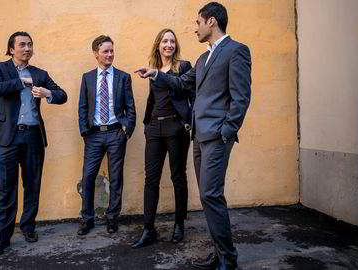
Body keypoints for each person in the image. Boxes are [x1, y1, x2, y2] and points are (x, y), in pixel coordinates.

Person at [135, 2, 251, 269]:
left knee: (211, 194)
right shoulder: (201, 59)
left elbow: (241, 97)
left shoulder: (236, 51)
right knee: (207, 196)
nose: (195, 28)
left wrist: (227, 131)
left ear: (211, 21)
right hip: (199, 137)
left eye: (198, 22)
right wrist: (155, 74)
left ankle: (228, 259)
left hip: (217, 136)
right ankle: (220, 253)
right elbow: (179, 83)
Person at [0, 31, 68, 257]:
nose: (27, 48)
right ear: (11, 49)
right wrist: (21, 81)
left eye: (30, 45)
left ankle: (28, 228)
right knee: (5, 189)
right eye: (22, 45)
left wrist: (48, 92)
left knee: (32, 185)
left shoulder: (40, 74)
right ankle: (1, 238)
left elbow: (63, 95)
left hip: (32, 137)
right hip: (6, 138)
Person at [131, 29, 194, 249]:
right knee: (151, 179)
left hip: (176, 127)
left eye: (172, 41)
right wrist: (148, 125)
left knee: (178, 176)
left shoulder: (184, 67)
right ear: (158, 45)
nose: (169, 45)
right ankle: (148, 229)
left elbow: (189, 92)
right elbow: (154, 99)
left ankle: (179, 224)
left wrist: (189, 122)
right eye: (165, 41)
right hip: (155, 128)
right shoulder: (153, 69)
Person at [77, 35, 136, 235]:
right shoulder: (87, 77)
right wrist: (85, 132)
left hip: (115, 134)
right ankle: (87, 218)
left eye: (112, 51)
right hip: (93, 135)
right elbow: (83, 107)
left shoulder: (123, 77)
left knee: (116, 178)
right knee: (88, 177)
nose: (110, 54)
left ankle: (112, 218)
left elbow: (131, 107)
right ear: (96, 54)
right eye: (105, 51)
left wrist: (127, 129)